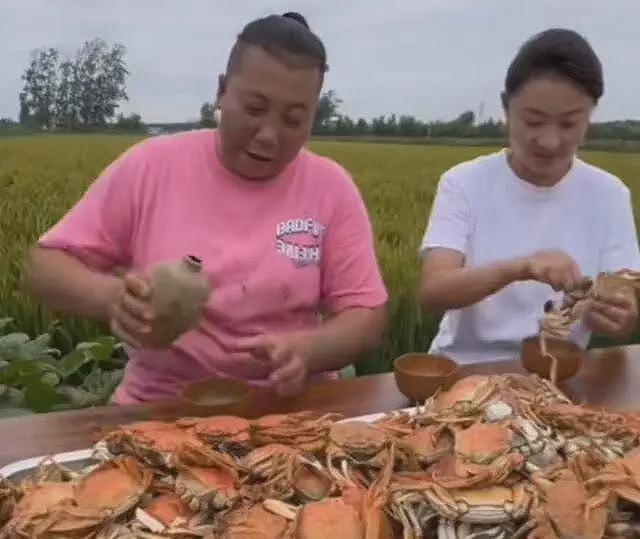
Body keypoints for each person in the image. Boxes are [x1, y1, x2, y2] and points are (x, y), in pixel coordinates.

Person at [26, 12, 388, 402]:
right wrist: (114, 299)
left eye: (294, 119)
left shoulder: (330, 187)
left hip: (287, 410)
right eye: (253, 109)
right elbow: (45, 265)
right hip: (162, 407)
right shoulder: (152, 165)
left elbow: (364, 313)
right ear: (222, 91)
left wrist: (308, 351)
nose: (268, 136)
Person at [419, 28, 640, 364]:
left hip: (560, 373)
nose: (550, 141)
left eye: (568, 124)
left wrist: (619, 317)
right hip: (464, 369)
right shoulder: (463, 183)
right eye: (533, 121)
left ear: (590, 115)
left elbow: (626, 300)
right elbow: (433, 292)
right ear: (507, 109)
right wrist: (520, 267)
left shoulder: (608, 195)